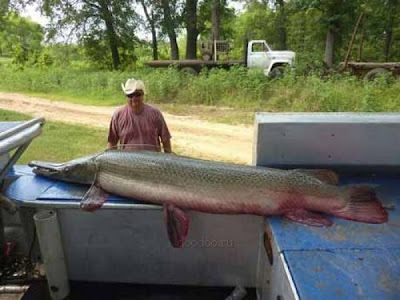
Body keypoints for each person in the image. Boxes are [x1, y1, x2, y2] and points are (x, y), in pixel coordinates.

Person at [107, 78, 172, 153]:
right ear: (126, 96)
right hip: (126, 163)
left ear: (143, 95)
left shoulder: (156, 114)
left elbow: (166, 139)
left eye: (137, 94)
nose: (134, 98)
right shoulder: (118, 115)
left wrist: (168, 158)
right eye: (130, 95)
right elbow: (112, 142)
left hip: (152, 163)